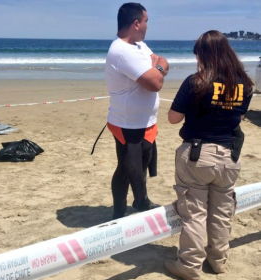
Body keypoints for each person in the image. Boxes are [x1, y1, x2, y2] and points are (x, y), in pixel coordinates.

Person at [165, 30, 254, 280]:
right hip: (229, 155)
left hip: (197, 155)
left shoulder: (196, 81)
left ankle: (190, 266)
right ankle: (218, 261)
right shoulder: (245, 84)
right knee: (221, 212)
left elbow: (173, 119)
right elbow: (239, 117)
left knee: (193, 213)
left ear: (204, 55)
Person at [105, 3, 169, 219]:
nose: (147, 26)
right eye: (146, 21)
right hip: (128, 123)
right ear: (136, 23)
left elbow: (163, 62)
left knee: (140, 164)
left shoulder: (139, 46)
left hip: (145, 121)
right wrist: (157, 70)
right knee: (125, 169)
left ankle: (141, 200)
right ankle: (119, 212)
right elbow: (155, 83)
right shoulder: (122, 51)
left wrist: (157, 68)